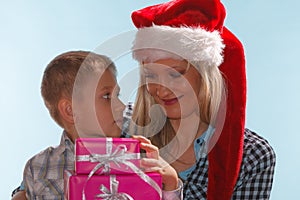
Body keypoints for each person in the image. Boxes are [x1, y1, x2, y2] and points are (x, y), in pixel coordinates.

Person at [129, 0, 276, 199]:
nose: (161, 91)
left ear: (205, 76)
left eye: (175, 75)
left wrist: (172, 187)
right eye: (151, 76)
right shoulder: (125, 130)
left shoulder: (252, 157)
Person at [11, 51, 182, 199]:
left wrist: (172, 185)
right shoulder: (40, 167)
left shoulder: (142, 145)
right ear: (70, 110)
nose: (121, 106)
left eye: (118, 95)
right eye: (107, 96)